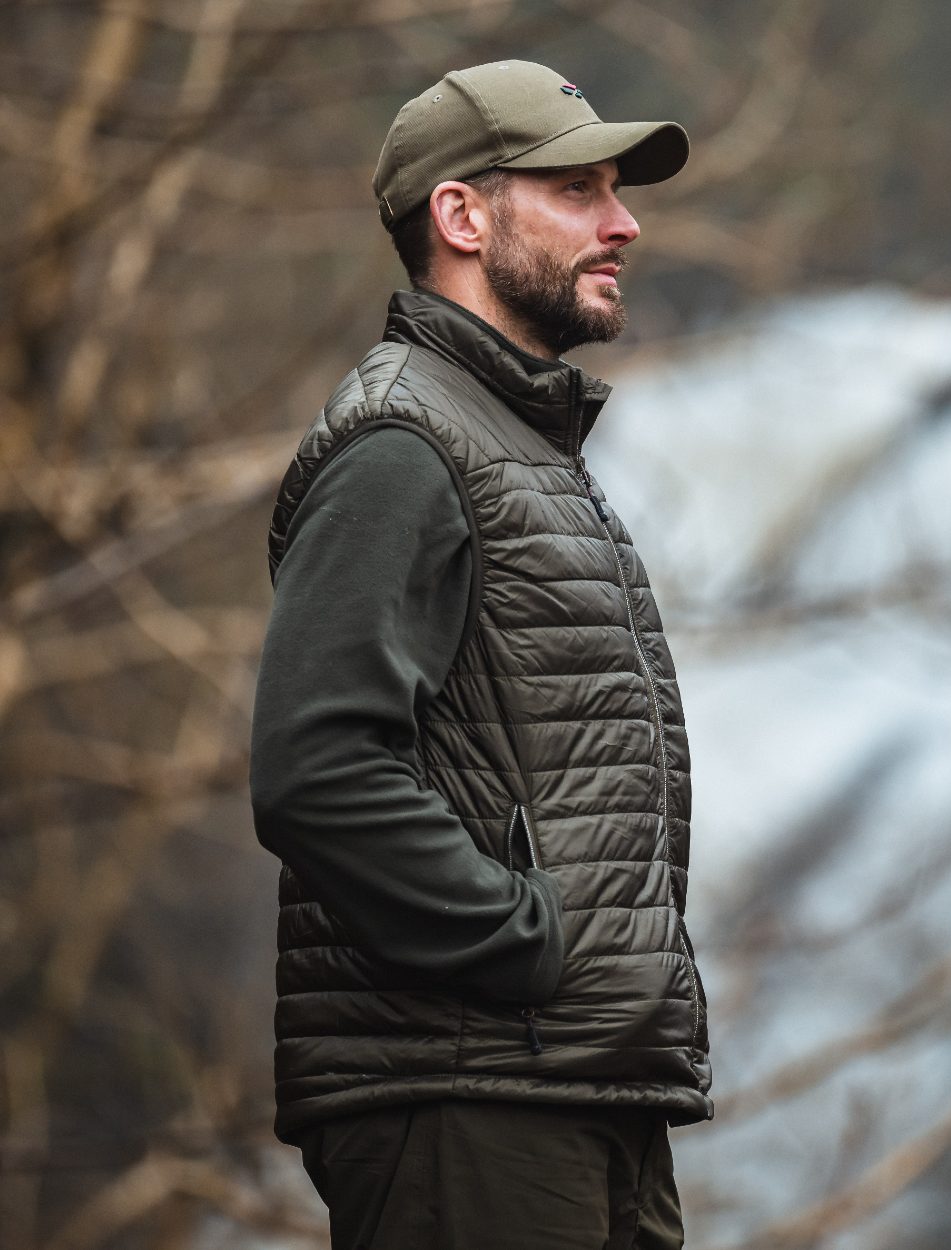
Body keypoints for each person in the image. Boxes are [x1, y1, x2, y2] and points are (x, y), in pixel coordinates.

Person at [250, 59, 712, 1250]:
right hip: (473, 1092)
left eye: (616, 191)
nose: (624, 222)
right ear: (461, 217)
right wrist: (523, 940)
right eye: (580, 190)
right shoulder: (404, 442)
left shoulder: (513, 443)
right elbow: (317, 767)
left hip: (575, 1085)